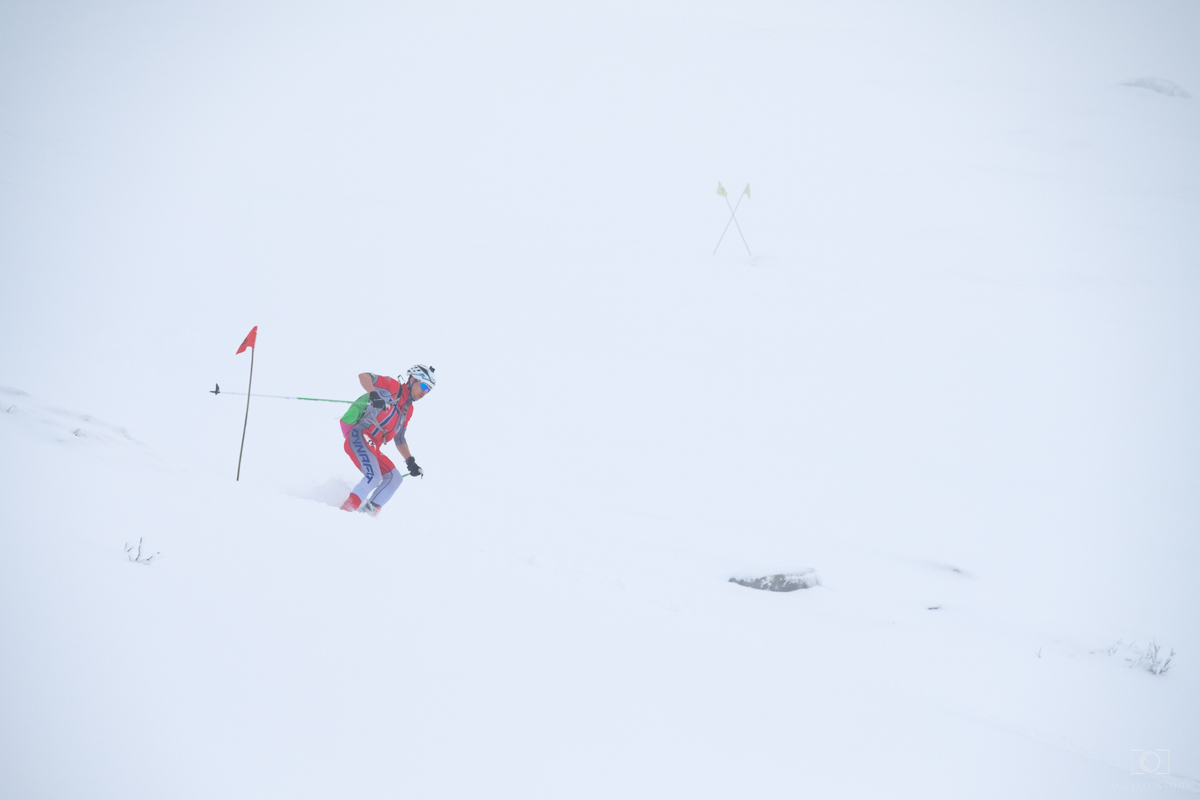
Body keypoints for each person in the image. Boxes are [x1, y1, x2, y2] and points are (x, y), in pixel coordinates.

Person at [338, 364, 435, 516]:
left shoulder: (408, 409)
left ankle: (365, 516)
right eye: (423, 386)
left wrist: (410, 461)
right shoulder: (393, 387)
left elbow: (400, 437)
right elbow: (364, 376)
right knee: (374, 476)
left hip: (373, 446)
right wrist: (373, 394)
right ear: (412, 380)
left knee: (394, 479)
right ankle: (344, 513)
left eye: (428, 390)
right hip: (360, 434)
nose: (425, 392)